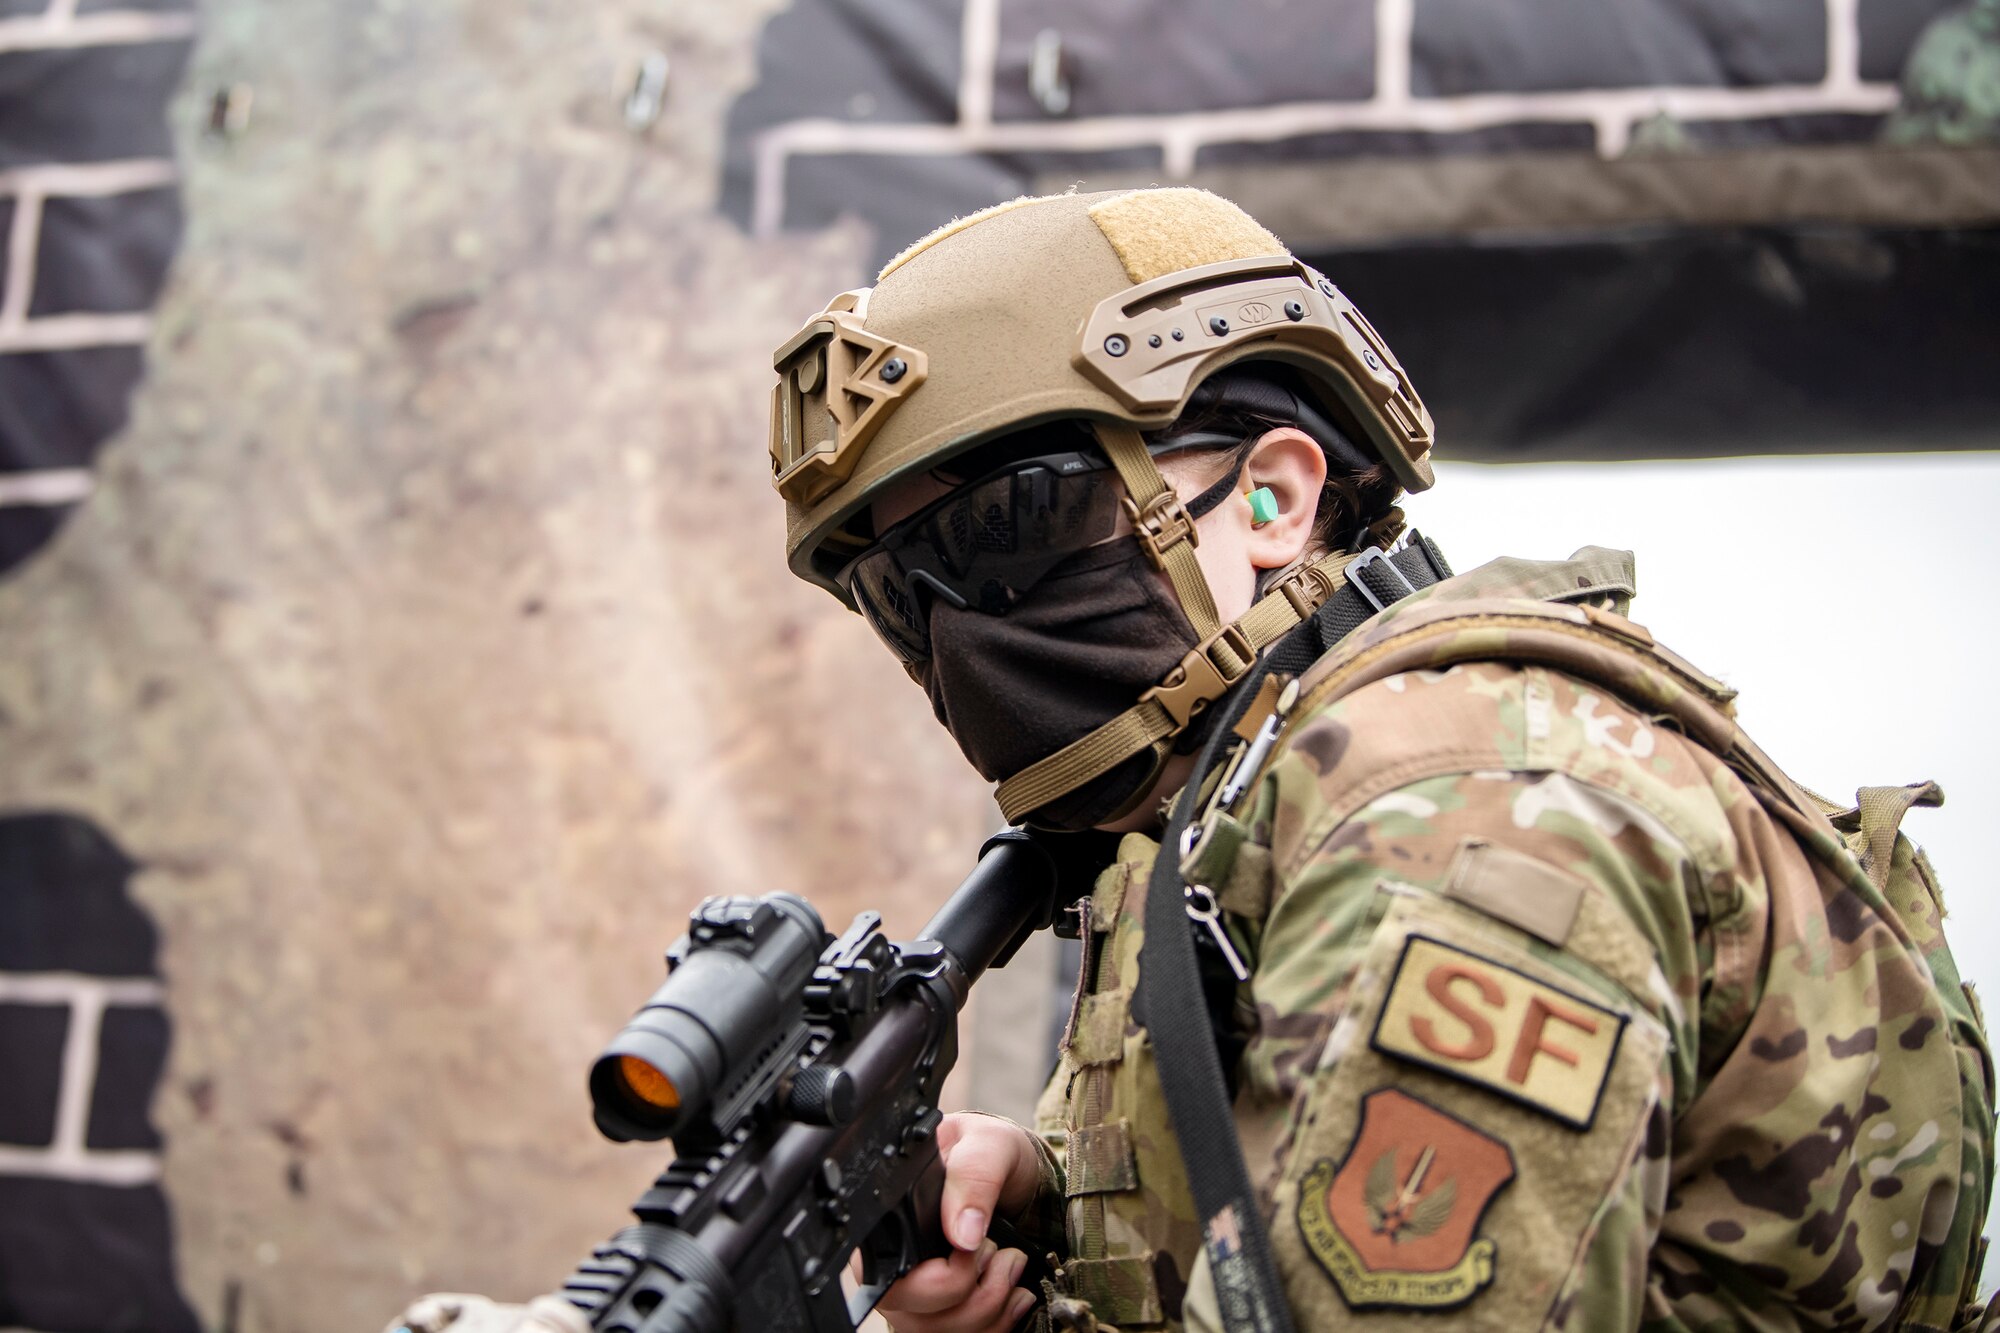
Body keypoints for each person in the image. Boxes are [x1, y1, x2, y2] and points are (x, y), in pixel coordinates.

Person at [765, 188, 1997, 1331]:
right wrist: (1040, 1214)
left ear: (1269, 502)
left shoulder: (1458, 811)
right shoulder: (1231, 827)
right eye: (894, 592)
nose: (954, 631)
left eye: (1002, 526)